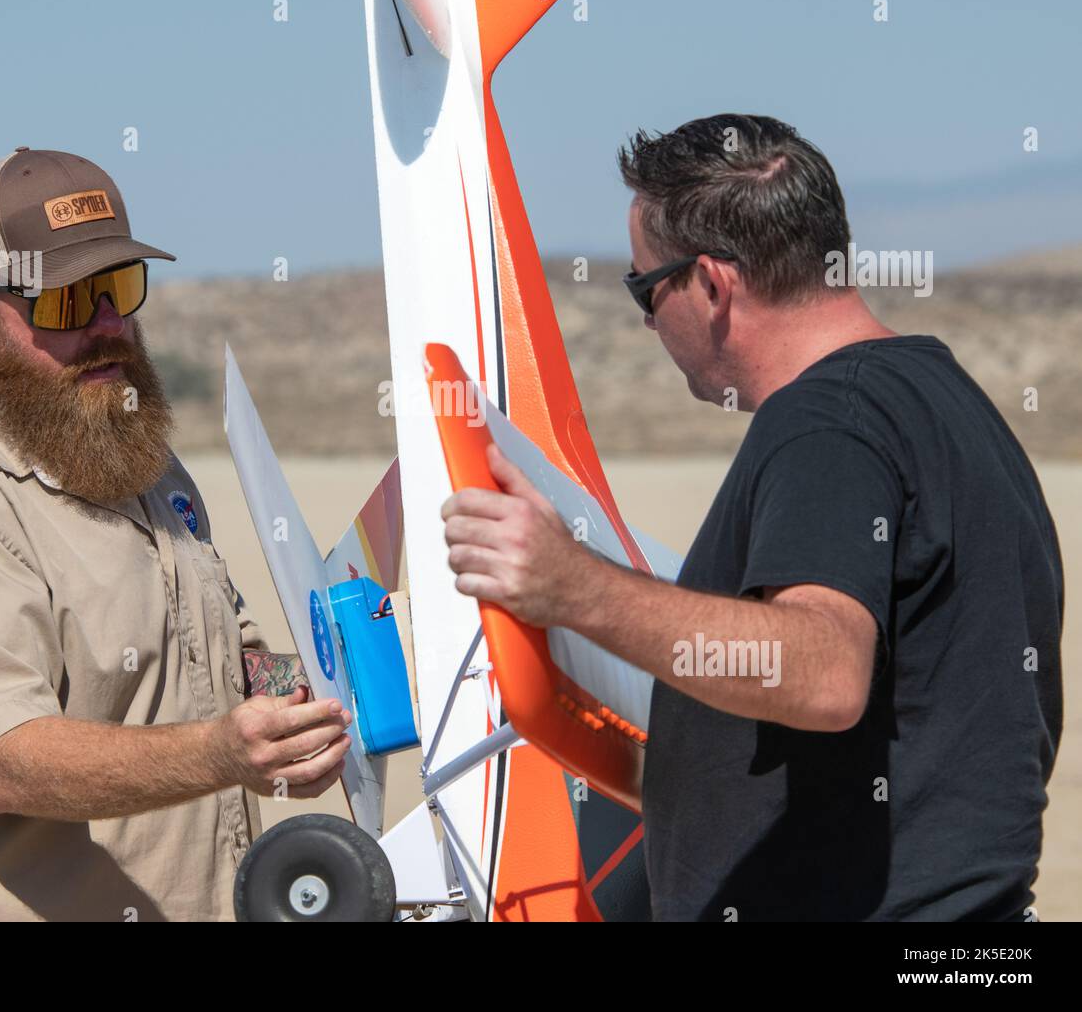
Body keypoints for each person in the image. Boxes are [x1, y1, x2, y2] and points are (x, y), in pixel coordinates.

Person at [441, 115, 1064, 921]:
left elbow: (825, 671)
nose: (645, 320)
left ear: (712, 285)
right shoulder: (939, 397)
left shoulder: (827, 423)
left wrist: (574, 588)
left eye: (644, 290)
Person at [0, 148, 350, 921]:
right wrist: (225, 752)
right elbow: (7, 760)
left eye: (119, 288)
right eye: (63, 302)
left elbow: (214, 658)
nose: (105, 326)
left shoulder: (132, 452)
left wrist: (308, 704)